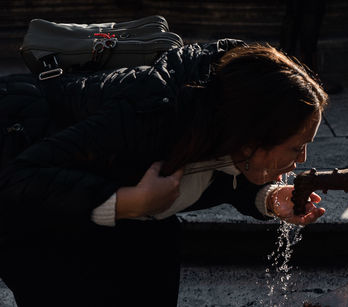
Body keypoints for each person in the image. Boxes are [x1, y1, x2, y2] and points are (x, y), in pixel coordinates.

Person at [0, 39, 328, 307]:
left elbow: (215, 172)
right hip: (41, 218)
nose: (302, 158)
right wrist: (128, 202)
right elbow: (21, 176)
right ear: (252, 136)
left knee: (158, 249)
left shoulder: (218, 122)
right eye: (296, 146)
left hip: (140, 225)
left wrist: (269, 197)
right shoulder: (150, 114)